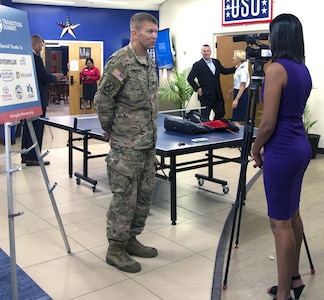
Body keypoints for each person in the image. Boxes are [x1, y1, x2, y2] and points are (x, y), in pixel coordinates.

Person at [251, 14, 312, 300]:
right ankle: (294, 279)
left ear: (278, 38)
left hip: (282, 149)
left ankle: (283, 295)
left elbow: (268, 123)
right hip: (299, 145)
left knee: (279, 223)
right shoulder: (302, 69)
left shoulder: (276, 69)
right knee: (292, 214)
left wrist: (255, 148)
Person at [93, 12, 159, 273]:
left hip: (146, 143)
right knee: (124, 198)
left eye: (155, 31)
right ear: (135, 33)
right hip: (126, 144)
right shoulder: (120, 61)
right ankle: (115, 249)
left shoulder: (148, 62)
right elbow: (103, 100)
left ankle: (131, 239)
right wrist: (110, 130)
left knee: (143, 196)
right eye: (149, 32)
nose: (153, 36)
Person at [21, 34, 63, 166]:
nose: (42, 47)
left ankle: (25, 155)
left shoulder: (26, 57)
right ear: (36, 44)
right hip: (38, 98)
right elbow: (43, 77)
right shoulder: (36, 58)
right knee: (37, 127)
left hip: (29, 98)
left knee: (28, 128)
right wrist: (55, 77)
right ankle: (33, 158)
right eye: (41, 44)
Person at [187, 44, 236, 120]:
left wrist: (235, 68)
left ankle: (215, 127)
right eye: (204, 51)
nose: (206, 53)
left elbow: (224, 71)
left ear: (210, 52)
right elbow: (190, 78)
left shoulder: (216, 62)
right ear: (201, 52)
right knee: (205, 117)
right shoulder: (197, 65)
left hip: (217, 94)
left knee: (221, 112)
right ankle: (207, 129)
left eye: (208, 51)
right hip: (205, 95)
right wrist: (198, 89)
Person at [226, 50, 250, 125]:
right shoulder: (238, 69)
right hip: (238, 92)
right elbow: (237, 84)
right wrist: (230, 91)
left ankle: (241, 135)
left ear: (239, 59)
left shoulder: (243, 70)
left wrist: (236, 99)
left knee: (236, 119)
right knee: (236, 118)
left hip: (241, 95)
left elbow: (243, 86)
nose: (233, 58)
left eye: (234, 57)